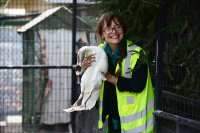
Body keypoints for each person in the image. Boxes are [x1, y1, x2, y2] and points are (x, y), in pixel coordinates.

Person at [82, 12, 154, 133]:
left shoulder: (137, 53)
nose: (114, 31)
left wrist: (110, 78)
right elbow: (90, 86)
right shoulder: (97, 53)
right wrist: (85, 69)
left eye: (117, 27)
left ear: (124, 30)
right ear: (102, 33)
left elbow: (138, 85)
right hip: (111, 118)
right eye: (109, 28)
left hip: (136, 123)